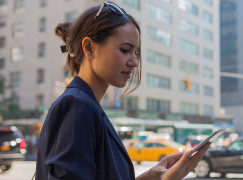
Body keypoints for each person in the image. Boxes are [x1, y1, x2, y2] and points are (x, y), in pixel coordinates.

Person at [35, 1, 210, 180]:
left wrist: (153, 177)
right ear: (89, 48)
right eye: (125, 50)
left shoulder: (87, 106)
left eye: (136, 53)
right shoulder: (77, 106)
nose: (134, 62)